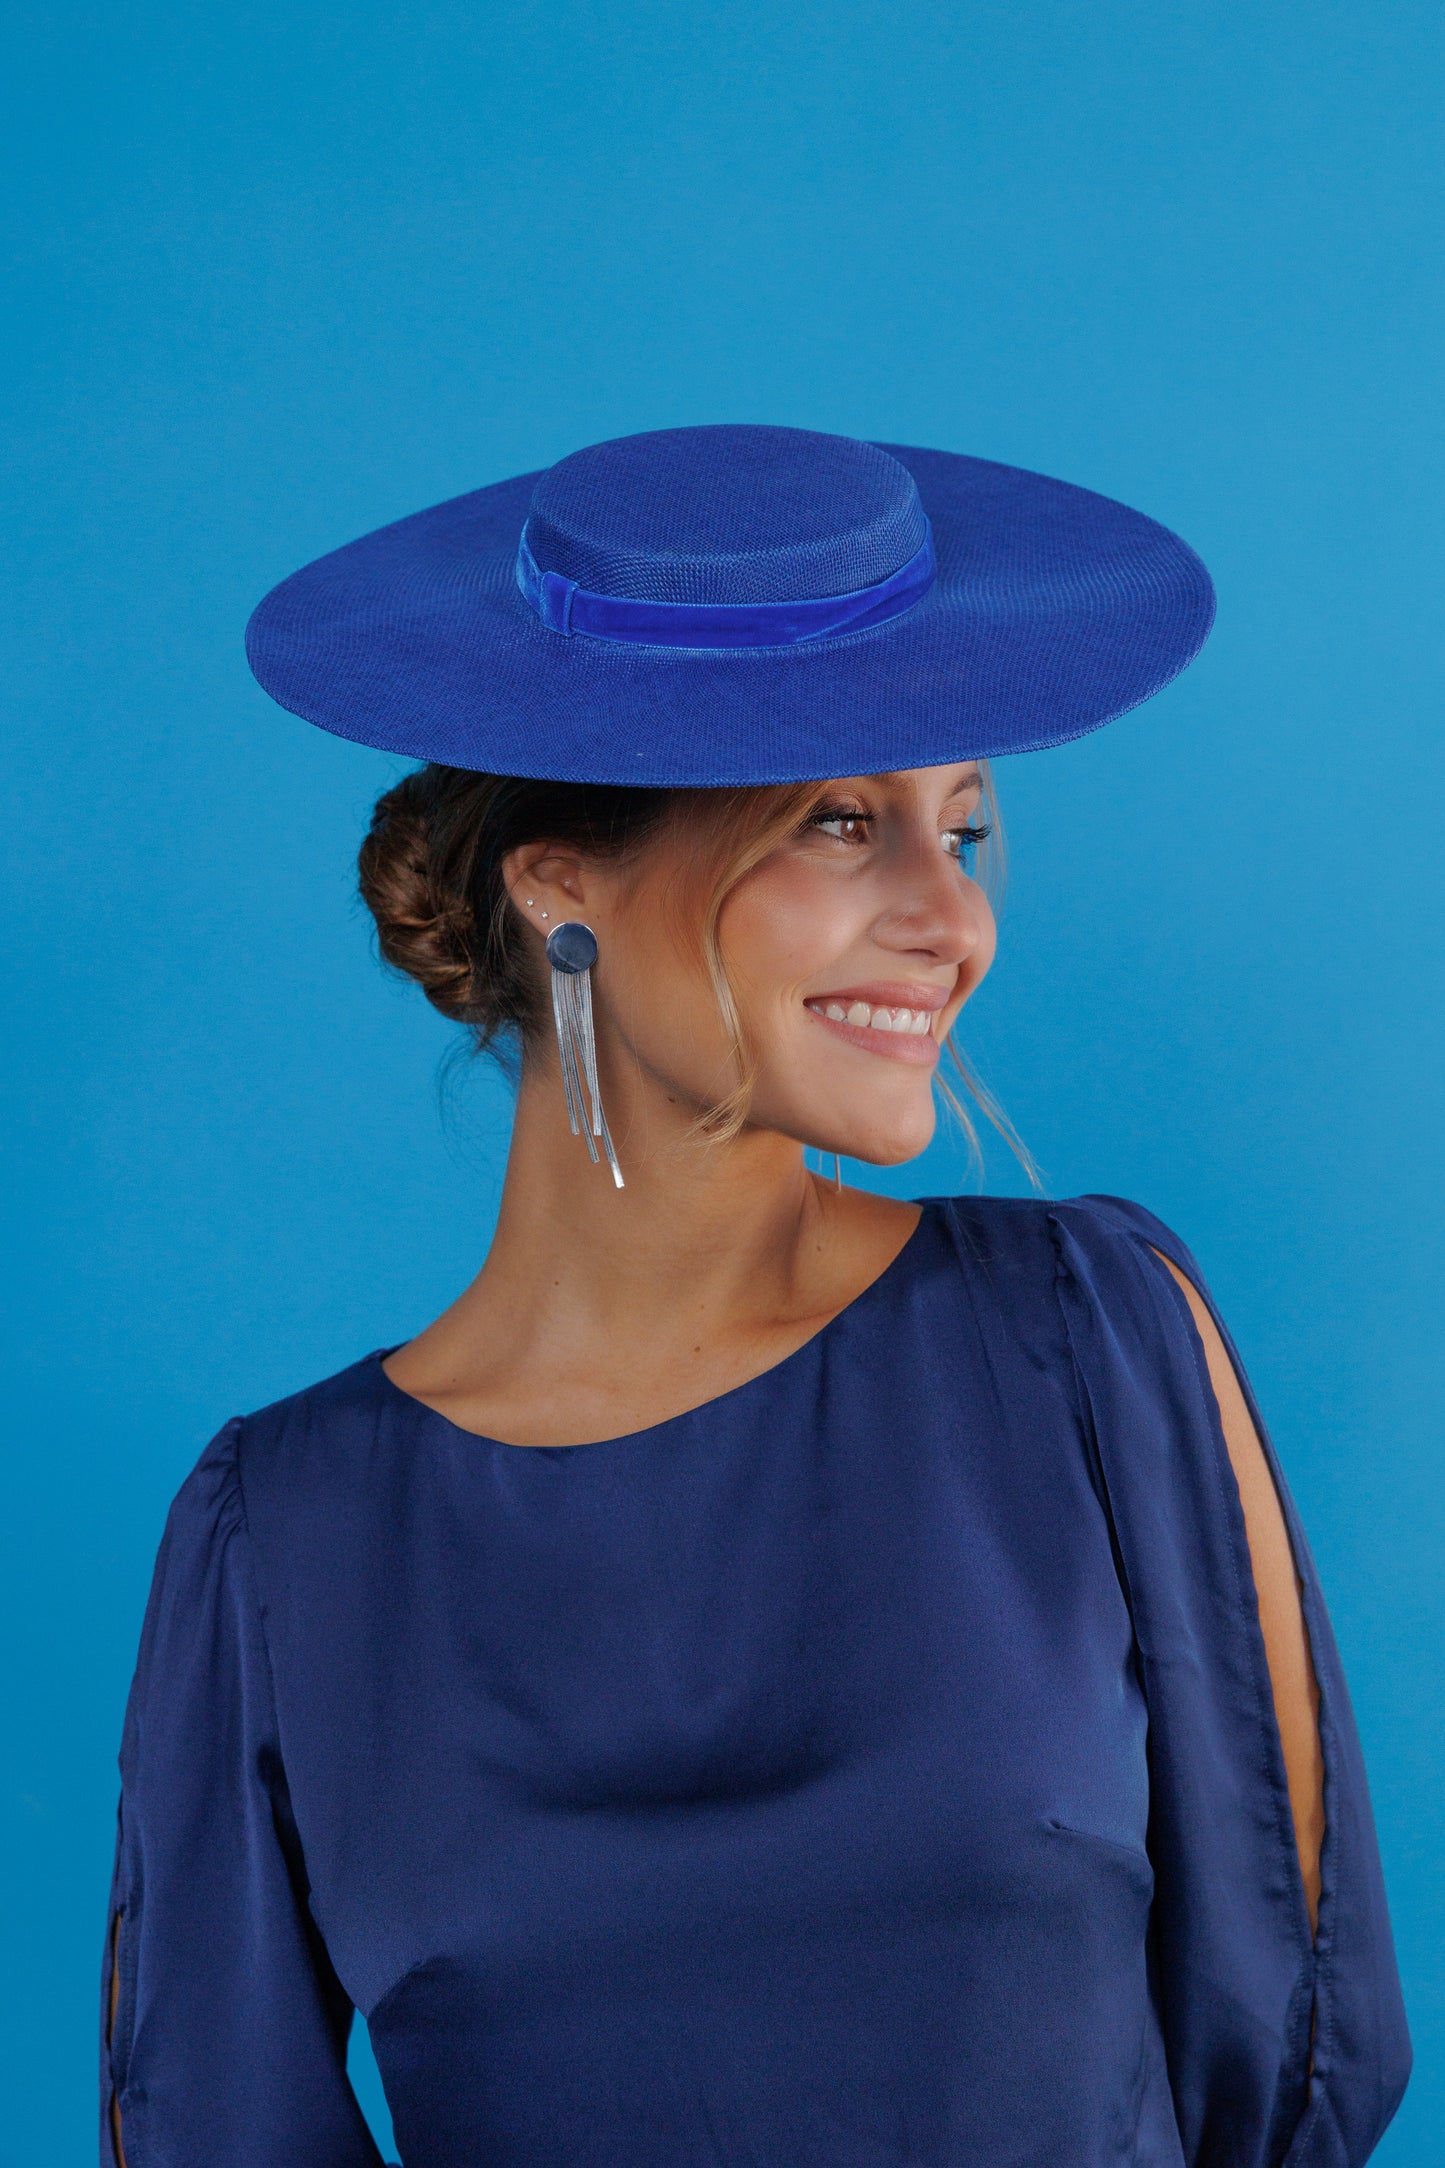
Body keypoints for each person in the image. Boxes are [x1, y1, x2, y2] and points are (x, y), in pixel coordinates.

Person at [101, 425, 1409, 2167]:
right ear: (561, 888)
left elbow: (1295, 2040)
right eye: (840, 823)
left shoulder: (1091, 1334)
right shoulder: (282, 1540)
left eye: (961, 827)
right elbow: (211, 2120)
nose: (953, 920)